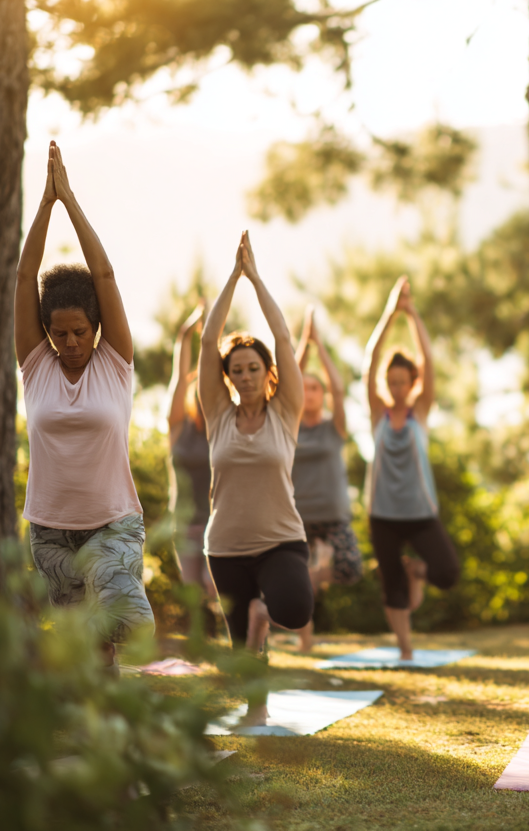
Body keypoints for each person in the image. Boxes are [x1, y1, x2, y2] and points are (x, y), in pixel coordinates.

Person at [15, 141, 154, 671]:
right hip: (50, 529)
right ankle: (107, 731)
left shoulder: (113, 362)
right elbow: (25, 280)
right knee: (90, 656)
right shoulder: (36, 364)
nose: (70, 343)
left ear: (96, 329)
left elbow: (106, 278)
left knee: (127, 623)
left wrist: (69, 201)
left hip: (112, 523)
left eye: (79, 332)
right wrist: (43, 207)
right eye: (59, 333)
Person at [200, 232, 312, 724]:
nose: (245, 376)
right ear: (228, 378)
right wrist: (230, 278)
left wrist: (255, 278)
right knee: (238, 638)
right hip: (224, 545)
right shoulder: (217, 415)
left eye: (253, 369)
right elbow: (208, 340)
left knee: (292, 611)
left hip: (279, 541)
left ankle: (263, 616)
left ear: (268, 373)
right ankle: (256, 710)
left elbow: (284, 338)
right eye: (237, 370)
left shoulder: (285, 411)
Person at [362, 275, 459, 662]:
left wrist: (412, 313)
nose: (397, 386)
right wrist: (389, 313)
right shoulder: (377, 414)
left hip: (420, 512)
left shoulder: (420, 413)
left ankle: (416, 570)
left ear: (412, 383)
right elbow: (370, 359)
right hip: (382, 513)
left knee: (447, 573)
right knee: (391, 586)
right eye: (392, 381)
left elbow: (429, 360)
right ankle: (405, 650)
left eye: (404, 381)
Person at [291, 306, 363, 652]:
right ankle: (305, 640)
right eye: (304, 388)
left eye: (315, 388)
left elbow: (339, 387)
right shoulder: (288, 426)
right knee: (298, 581)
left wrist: (319, 347)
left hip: (334, 513)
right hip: (299, 515)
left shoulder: (335, 427)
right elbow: (288, 379)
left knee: (350, 569)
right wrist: (303, 346)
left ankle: (318, 572)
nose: (310, 393)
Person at [166, 301, 220, 627]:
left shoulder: (221, 427)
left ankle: (236, 637)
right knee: (191, 591)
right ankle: (204, 640)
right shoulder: (178, 428)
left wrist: (212, 334)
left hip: (216, 520)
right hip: (184, 521)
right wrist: (186, 337)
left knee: (216, 586)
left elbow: (222, 370)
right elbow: (177, 381)